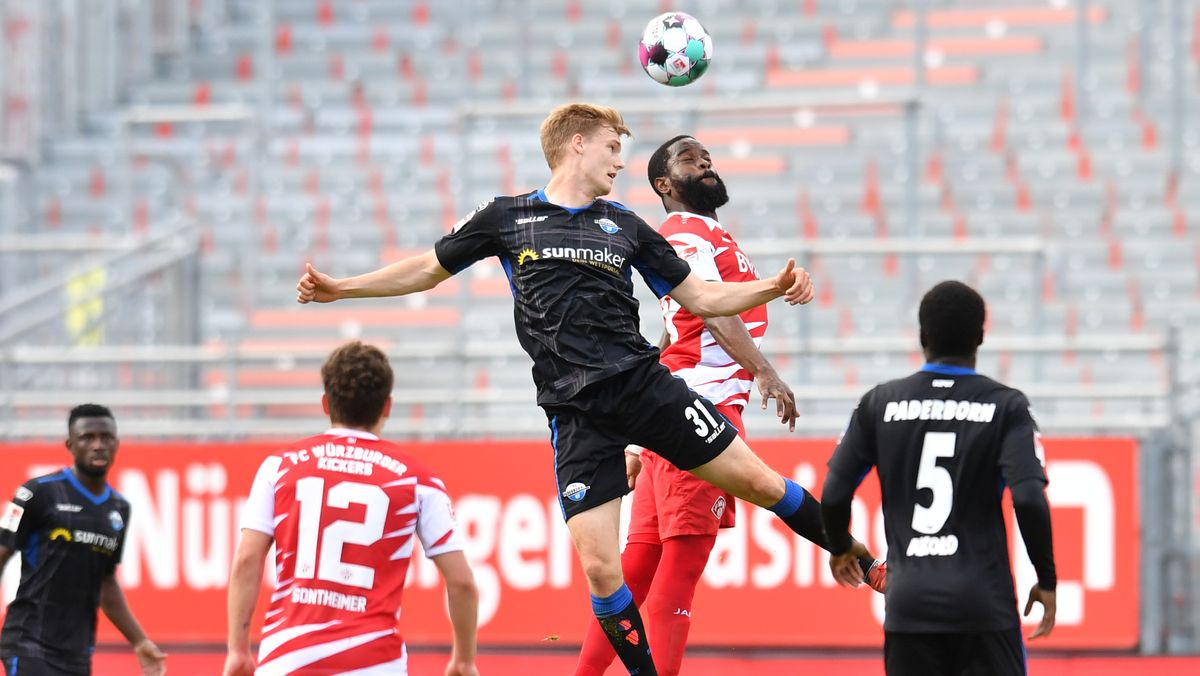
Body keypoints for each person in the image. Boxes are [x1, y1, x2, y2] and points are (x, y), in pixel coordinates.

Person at [297, 102, 845, 676]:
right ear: (577, 143)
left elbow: (704, 297)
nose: (619, 161)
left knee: (761, 484)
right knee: (604, 571)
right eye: (612, 147)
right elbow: (426, 268)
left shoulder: (625, 224)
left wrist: (774, 286)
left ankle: (860, 557)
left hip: (643, 388)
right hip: (575, 412)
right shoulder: (507, 217)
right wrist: (342, 289)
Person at [573, 135, 885, 676]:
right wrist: (764, 369)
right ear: (664, 184)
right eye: (688, 159)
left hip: (670, 410)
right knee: (679, 575)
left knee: (637, 571)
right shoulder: (685, 231)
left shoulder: (706, 233)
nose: (705, 163)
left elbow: (676, 330)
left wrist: (636, 443)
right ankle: (868, 562)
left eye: (708, 158)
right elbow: (710, 310)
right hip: (701, 410)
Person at [820, 281, 1057, 676]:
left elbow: (834, 493)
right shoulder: (1006, 406)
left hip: (909, 604)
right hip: (983, 603)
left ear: (922, 336)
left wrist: (841, 545)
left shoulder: (879, 403)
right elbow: (1029, 498)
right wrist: (1046, 578)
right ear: (981, 336)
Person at [223, 341, 478, 676]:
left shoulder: (279, 467)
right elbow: (461, 582)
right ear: (387, 406)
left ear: (325, 403)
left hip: (287, 659)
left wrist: (238, 651)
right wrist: (463, 661)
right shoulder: (418, 480)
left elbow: (246, 560)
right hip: (375, 663)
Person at [0, 404, 167, 676]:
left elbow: (105, 580)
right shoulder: (38, 493)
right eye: (88, 438)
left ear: (116, 444)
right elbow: (1, 553)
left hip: (77, 653)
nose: (98, 445)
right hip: (28, 642)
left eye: (106, 437)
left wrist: (139, 641)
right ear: (70, 445)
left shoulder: (118, 508)